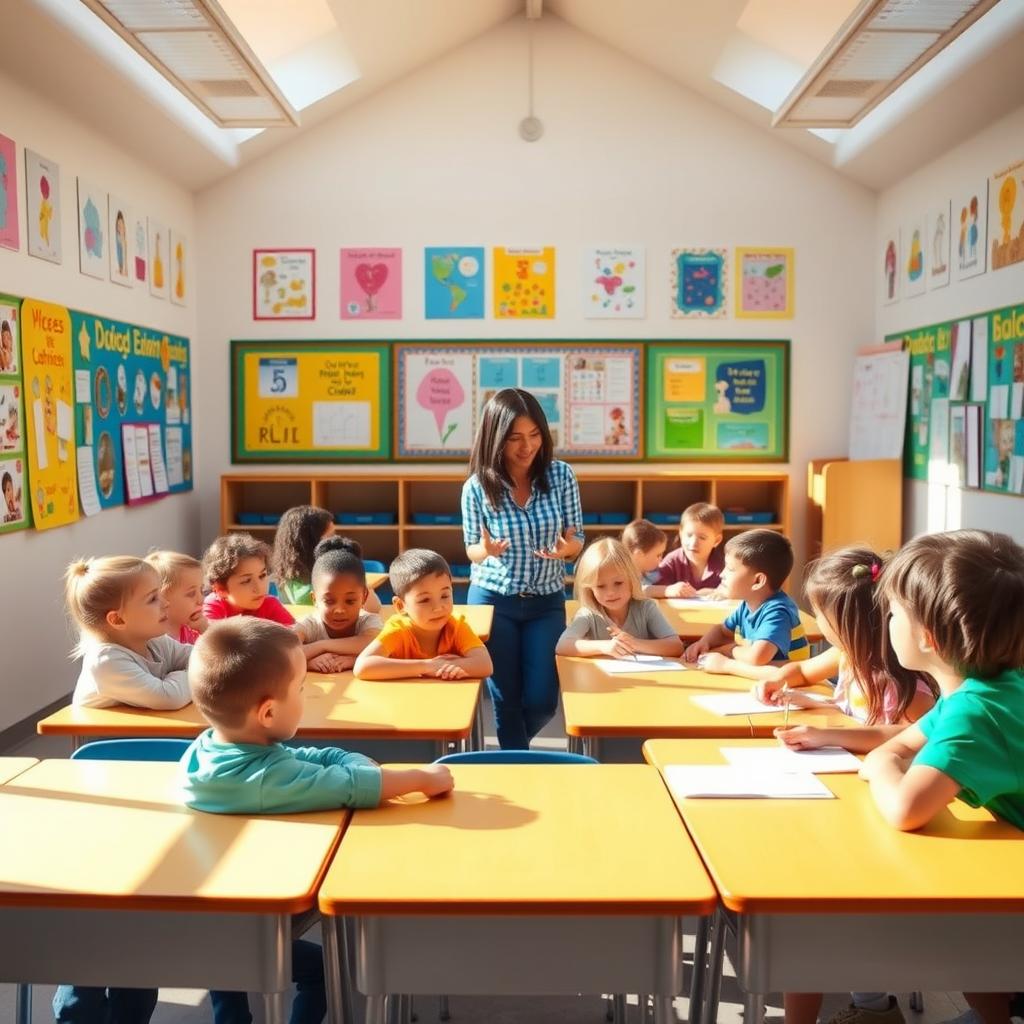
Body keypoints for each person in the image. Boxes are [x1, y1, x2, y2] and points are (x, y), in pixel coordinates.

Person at [181, 618, 455, 1024]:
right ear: (269, 712)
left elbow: (298, 761)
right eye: (302, 689)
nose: (306, 697)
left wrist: (344, 758)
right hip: (249, 925)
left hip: (206, 916)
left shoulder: (207, 749)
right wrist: (419, 777)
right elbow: (348, 785)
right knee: (324, 973)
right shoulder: (264, 782)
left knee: (226, 973)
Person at [750, 548, 936, 1024]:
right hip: (841, 796)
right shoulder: (847, 654)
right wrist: (786, 683)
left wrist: (832, 734)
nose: (817, 628)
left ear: (850, 624)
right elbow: (803, 669)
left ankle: (871, 1006)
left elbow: (912, 737)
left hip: (884, 809)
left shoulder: (902, 684)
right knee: (808, 908)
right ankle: (866, 1005)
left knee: (826, 916)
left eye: (823, 620)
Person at [860, 530, 1024, 1024]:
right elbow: (903, 743)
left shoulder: (976, 711)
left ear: (927, 636)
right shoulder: (987, 687)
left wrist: (884, 768)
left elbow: (905, 808)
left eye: (892, 614)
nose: (886, 622)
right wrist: (889, 759)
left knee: (958, 918)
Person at [461, 388, 583, 748]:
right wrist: (483, 550)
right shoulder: (477, 487)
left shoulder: (561, 476)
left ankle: (513, 748)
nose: (526, 447)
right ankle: (515, 762)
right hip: (493, 600)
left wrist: (567, 549)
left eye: (534, 436)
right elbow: (471, 549)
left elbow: (578, 538)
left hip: (546, 599)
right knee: (505, 697)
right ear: (496, 437)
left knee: (543, 697)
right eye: (515, 438)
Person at [65, 556, 192, 710]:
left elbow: (201, 657)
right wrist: (192, 672)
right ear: (118, 619)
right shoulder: (105, 662)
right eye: (153, 599)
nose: (166, 603)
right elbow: (171, 697)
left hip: (146, 730)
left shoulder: (154, 641)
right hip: (109, 734)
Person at [354, 549, 492, 680]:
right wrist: (427, 666)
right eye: (425, 600)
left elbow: (485, 665)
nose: (438, 608)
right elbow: (362, 667)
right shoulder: (398, 629)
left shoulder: (456, 626)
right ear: (401, 606)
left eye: (445, 596)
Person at [683, 529, 808, 669]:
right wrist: (704, 643)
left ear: (758, 581)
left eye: (730, 569)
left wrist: (729, 650)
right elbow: (723, 631)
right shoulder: (748, 605)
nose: (721, 574)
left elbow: (758, 657)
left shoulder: (777, 612)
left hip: (790, 684)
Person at [556, 538, 683, 658]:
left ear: (631, 580)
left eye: (618, 583)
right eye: (600, 586)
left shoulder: (646, 608)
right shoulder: (588, 614)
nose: (610, 592)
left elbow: (676, 646)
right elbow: (562, 646)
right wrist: (603, 646)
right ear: (590, 589)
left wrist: (634, 643)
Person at [294, 536, 382, 672]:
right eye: (329, 601)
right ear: (314, 599)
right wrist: (309, 663)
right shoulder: (309, 624)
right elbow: (286, 653)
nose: (339, 610)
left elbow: (373, 643)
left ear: (364, 597)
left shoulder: (369, 621)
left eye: (350, 601)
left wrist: (322, 646)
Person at [202, 533, 294, 625]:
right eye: (246, 581)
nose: (259, 588)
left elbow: (294, 634)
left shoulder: (270, 604)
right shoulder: (213, 607)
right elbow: (210, 635)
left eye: (262, 576)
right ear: (220, 588)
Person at [645, 502, 724, 598]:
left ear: (717, 540)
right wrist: (668, 590)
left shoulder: (724, 564)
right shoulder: (672, 561)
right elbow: (647, 589)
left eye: (702, 538)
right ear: (681, 534)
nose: (693, 543)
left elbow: (735, 591)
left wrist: (721, 592)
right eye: (689, 535)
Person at [145, 550, 207, 644]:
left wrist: (205, 629)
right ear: (162, 597)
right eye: (191, 594)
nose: (201, 600)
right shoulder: (156, 639)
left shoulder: (191, 630)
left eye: (202, 590)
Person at [620, 519, 668, 589]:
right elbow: (639, 591)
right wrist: (666, 590)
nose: (661, 559)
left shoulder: (649, 573)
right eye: (658, 555)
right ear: (639, 555)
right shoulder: (623, 576)